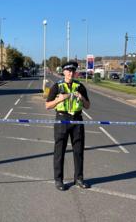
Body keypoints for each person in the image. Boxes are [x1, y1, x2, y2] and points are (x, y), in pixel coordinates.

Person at [45, 61, 91, 191]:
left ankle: (79, 178)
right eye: (68, 71)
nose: (71, 73)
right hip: (62, 119)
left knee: (79, 151)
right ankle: (59, 180)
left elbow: (88, 106)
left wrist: (82, 98)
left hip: (77, 120)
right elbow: (47, 105)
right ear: (64, 72)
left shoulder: (80, 86)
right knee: (59, 151)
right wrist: (59, 99)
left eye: (73, 71)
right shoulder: (57, 87)